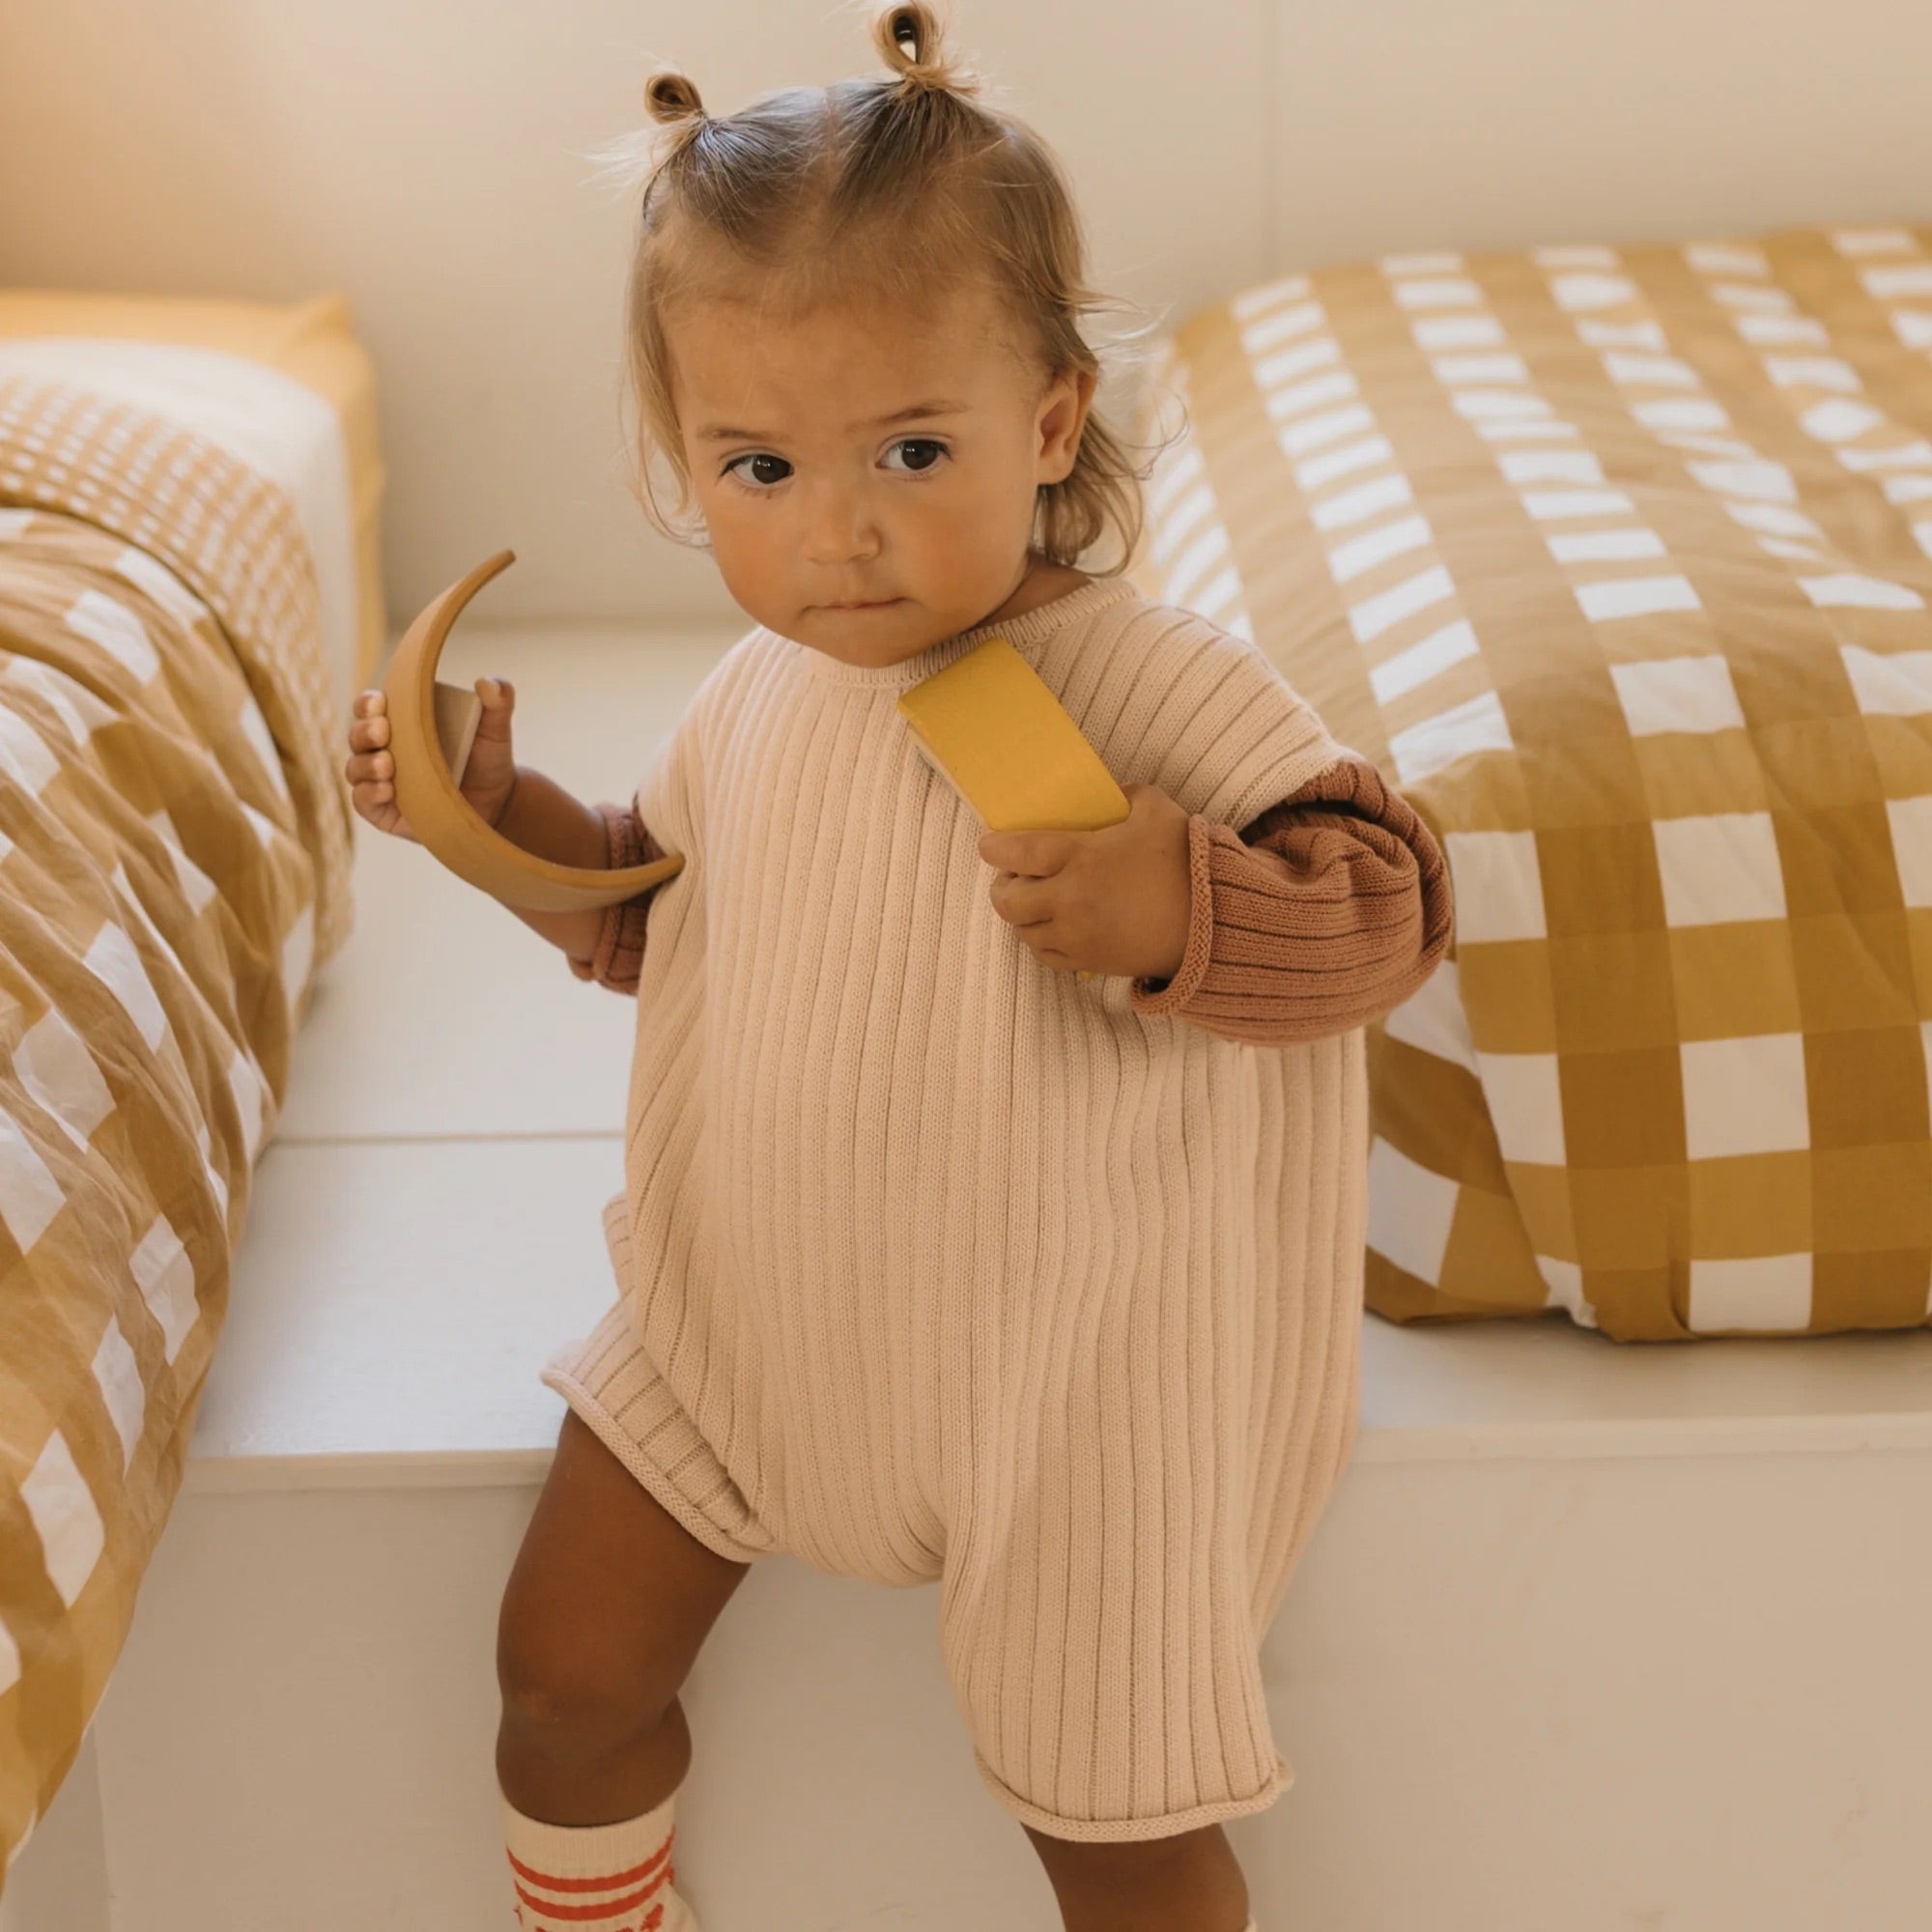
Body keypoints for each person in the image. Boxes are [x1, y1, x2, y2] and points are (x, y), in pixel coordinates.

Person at [345, 5, 1452, 1924]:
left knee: (1118, 1831)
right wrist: (490, 808)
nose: (834, 535)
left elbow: (1387, 902)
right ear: (681, 457)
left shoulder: (1153, 680)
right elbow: (648, 917)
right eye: (754, 468)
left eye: (909, 450)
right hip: (747, 1333)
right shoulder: (763, 691)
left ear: (1044, 422)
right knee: (560, 1676)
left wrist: (1184, 902)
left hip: (1069, 1390)